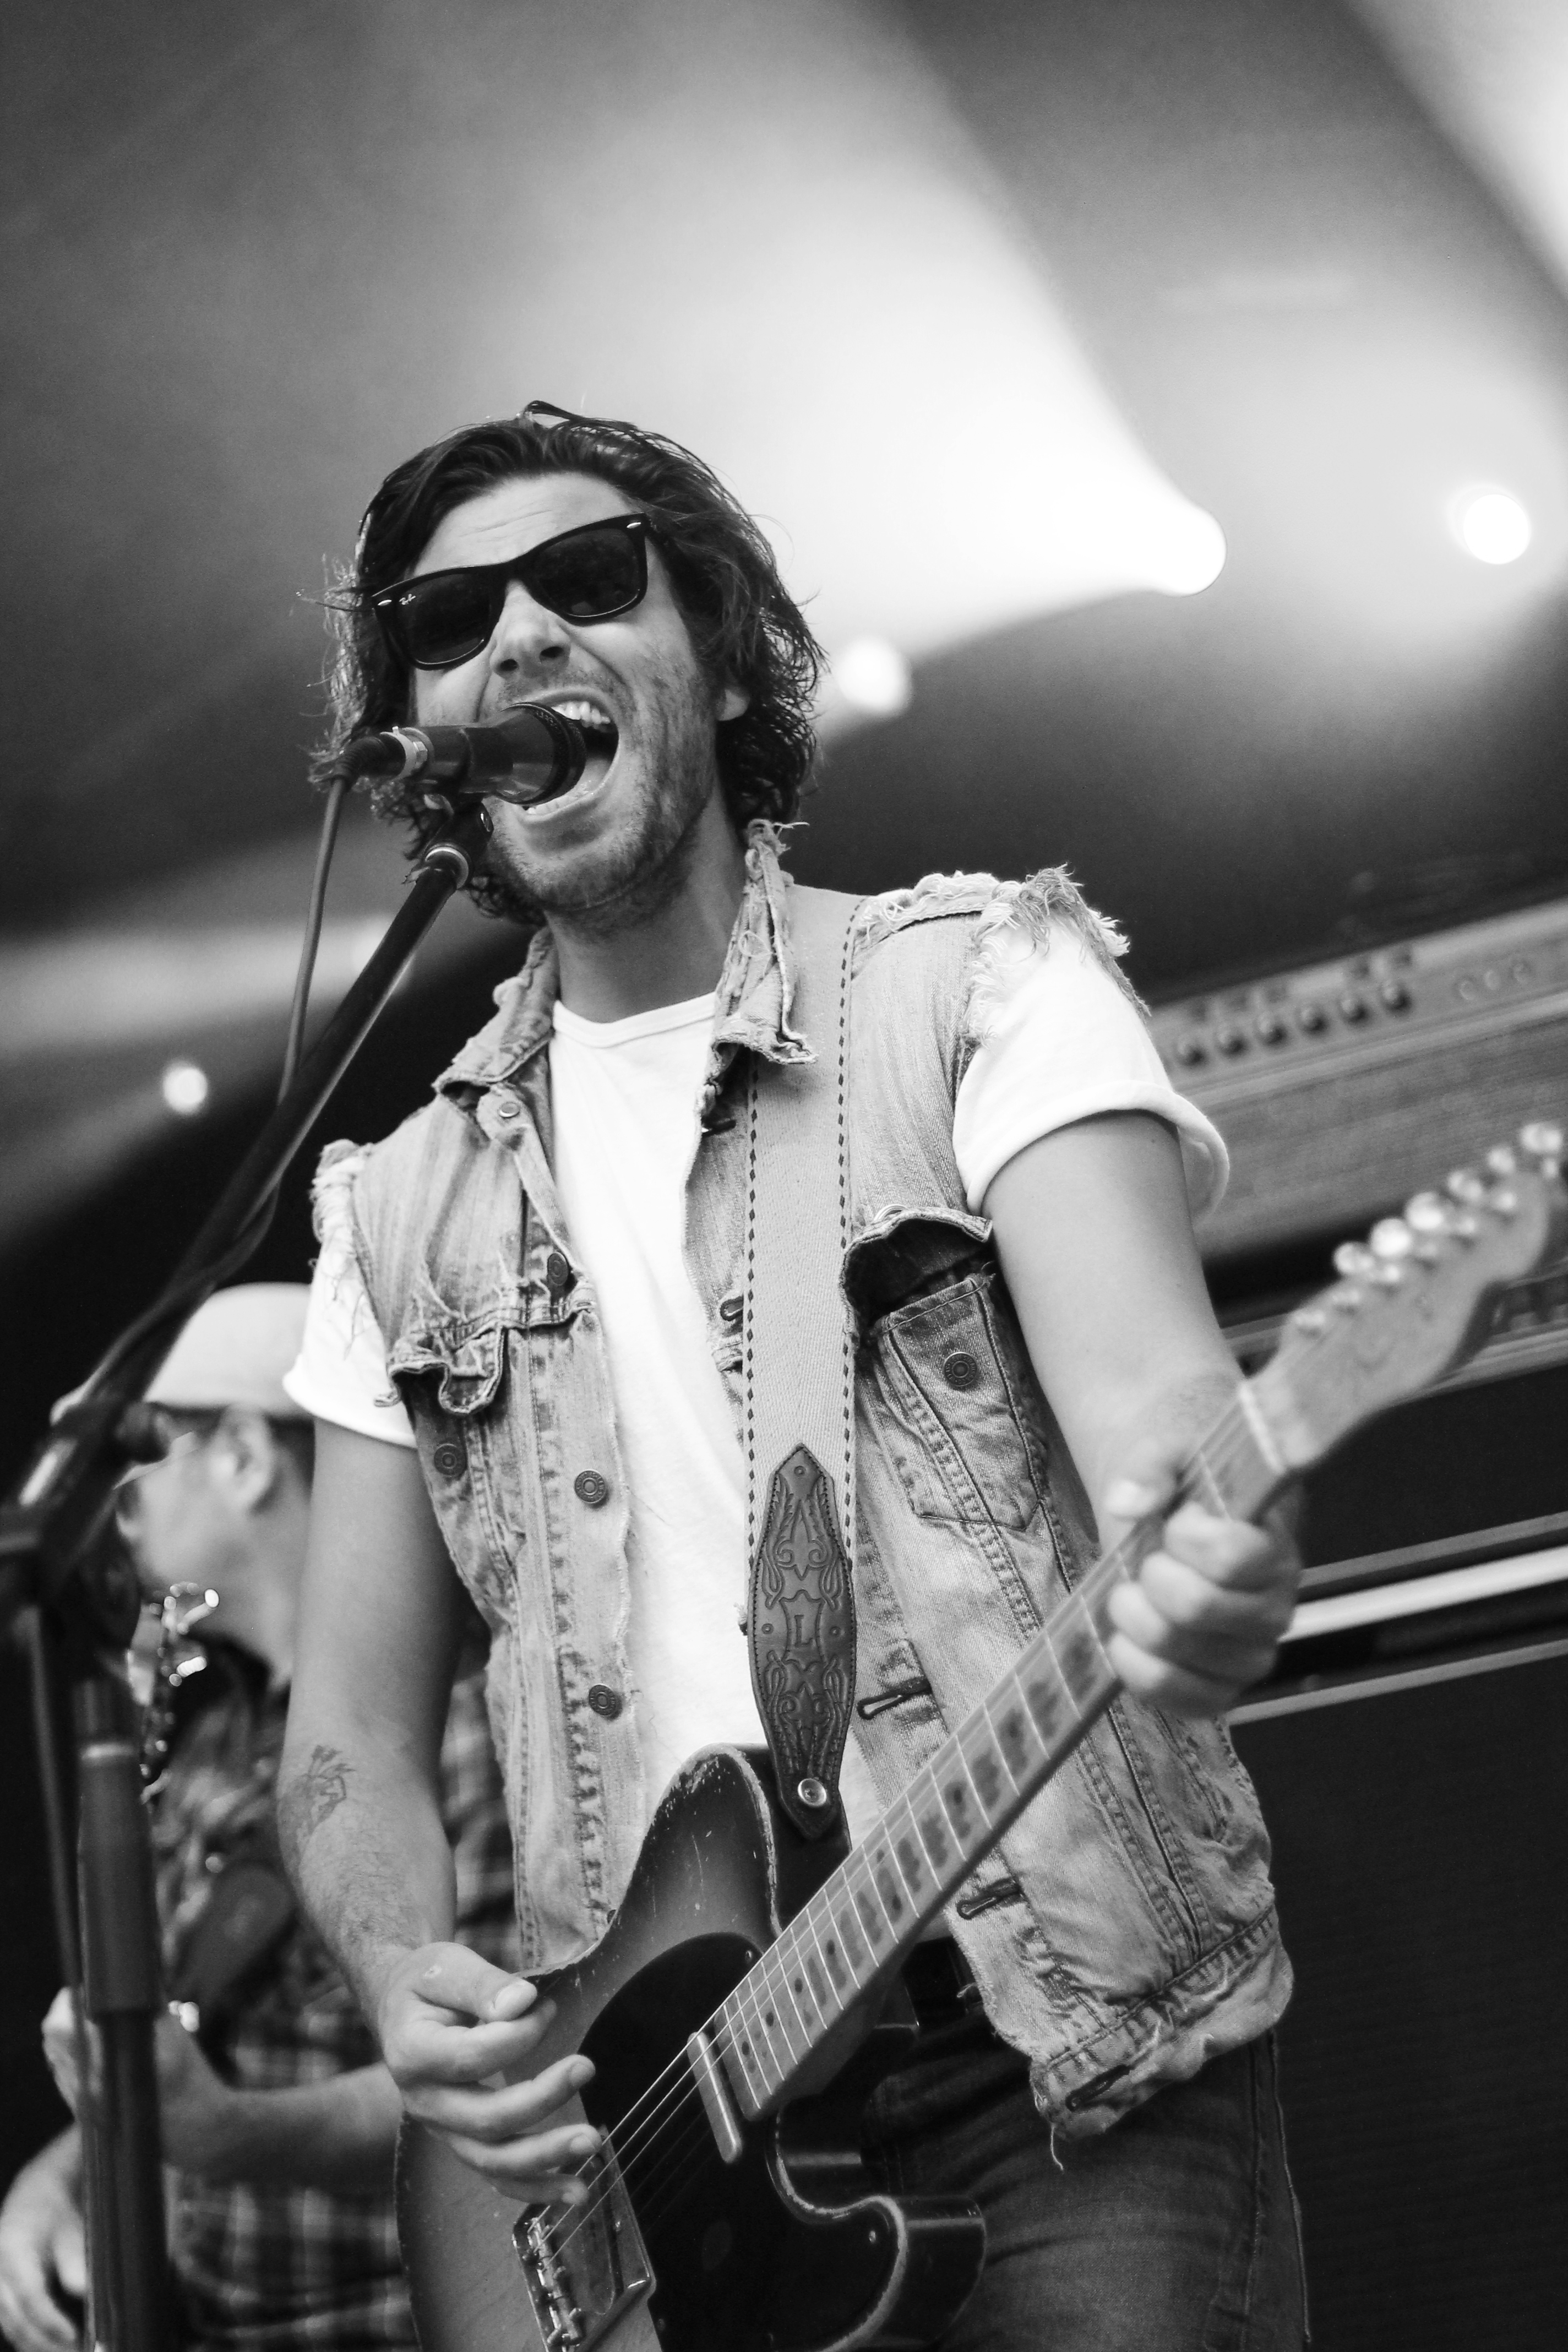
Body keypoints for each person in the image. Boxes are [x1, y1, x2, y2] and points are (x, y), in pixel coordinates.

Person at [276, 402, 1306, 2348]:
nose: (519, 638)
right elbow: (344, 1732)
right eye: (449, 622)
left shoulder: (973, 989)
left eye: (588, 581)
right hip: (656, 2150)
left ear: (726, 655)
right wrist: (405, 1969)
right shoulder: (394, 1212)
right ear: (420, 739)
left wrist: (1211, 1559)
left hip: (1057, 2065)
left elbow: (1171, 1435)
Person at [0, 1287, 515, 2352]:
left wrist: (230, 2136)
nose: (115, 1514)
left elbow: (506, 2068)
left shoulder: (471, 1725)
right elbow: (188, 2067)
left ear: (243, 1456)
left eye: (133, 1467)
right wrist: (59, 2179)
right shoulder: (205, 1755)